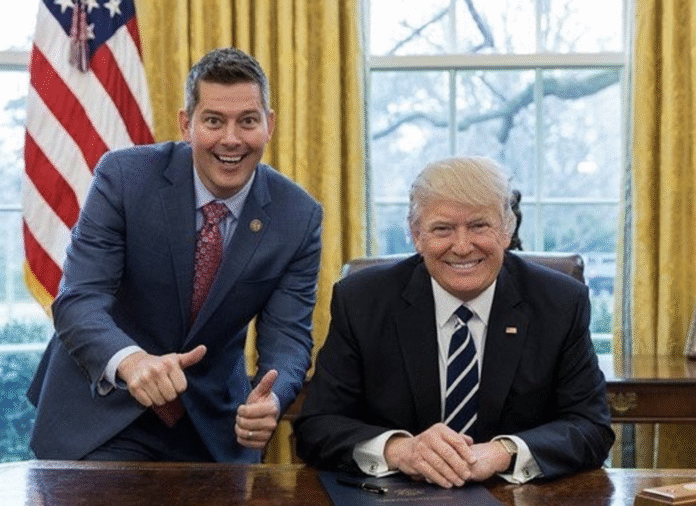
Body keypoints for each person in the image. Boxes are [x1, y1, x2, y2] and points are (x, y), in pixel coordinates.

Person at [27, 47, 322, 462]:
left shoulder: (298, 216)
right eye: (214, 121)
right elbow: (79, 300)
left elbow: (289, 335)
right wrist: (131, 361)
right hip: (104, 410)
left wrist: (273, 396)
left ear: (269, 125)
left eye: (248, 121)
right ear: (187, 124)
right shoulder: (124, 178)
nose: (231, 139)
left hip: (212, 425)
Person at [294, 156, 613, 487]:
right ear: (416, 235)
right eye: (442, 229)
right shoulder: (362, 301)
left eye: (479, 226)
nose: (461, 247)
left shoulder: (560, 302)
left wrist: (504, 452)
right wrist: (400, 450)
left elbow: (591, 427)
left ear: (507, 229)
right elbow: (316, 427)